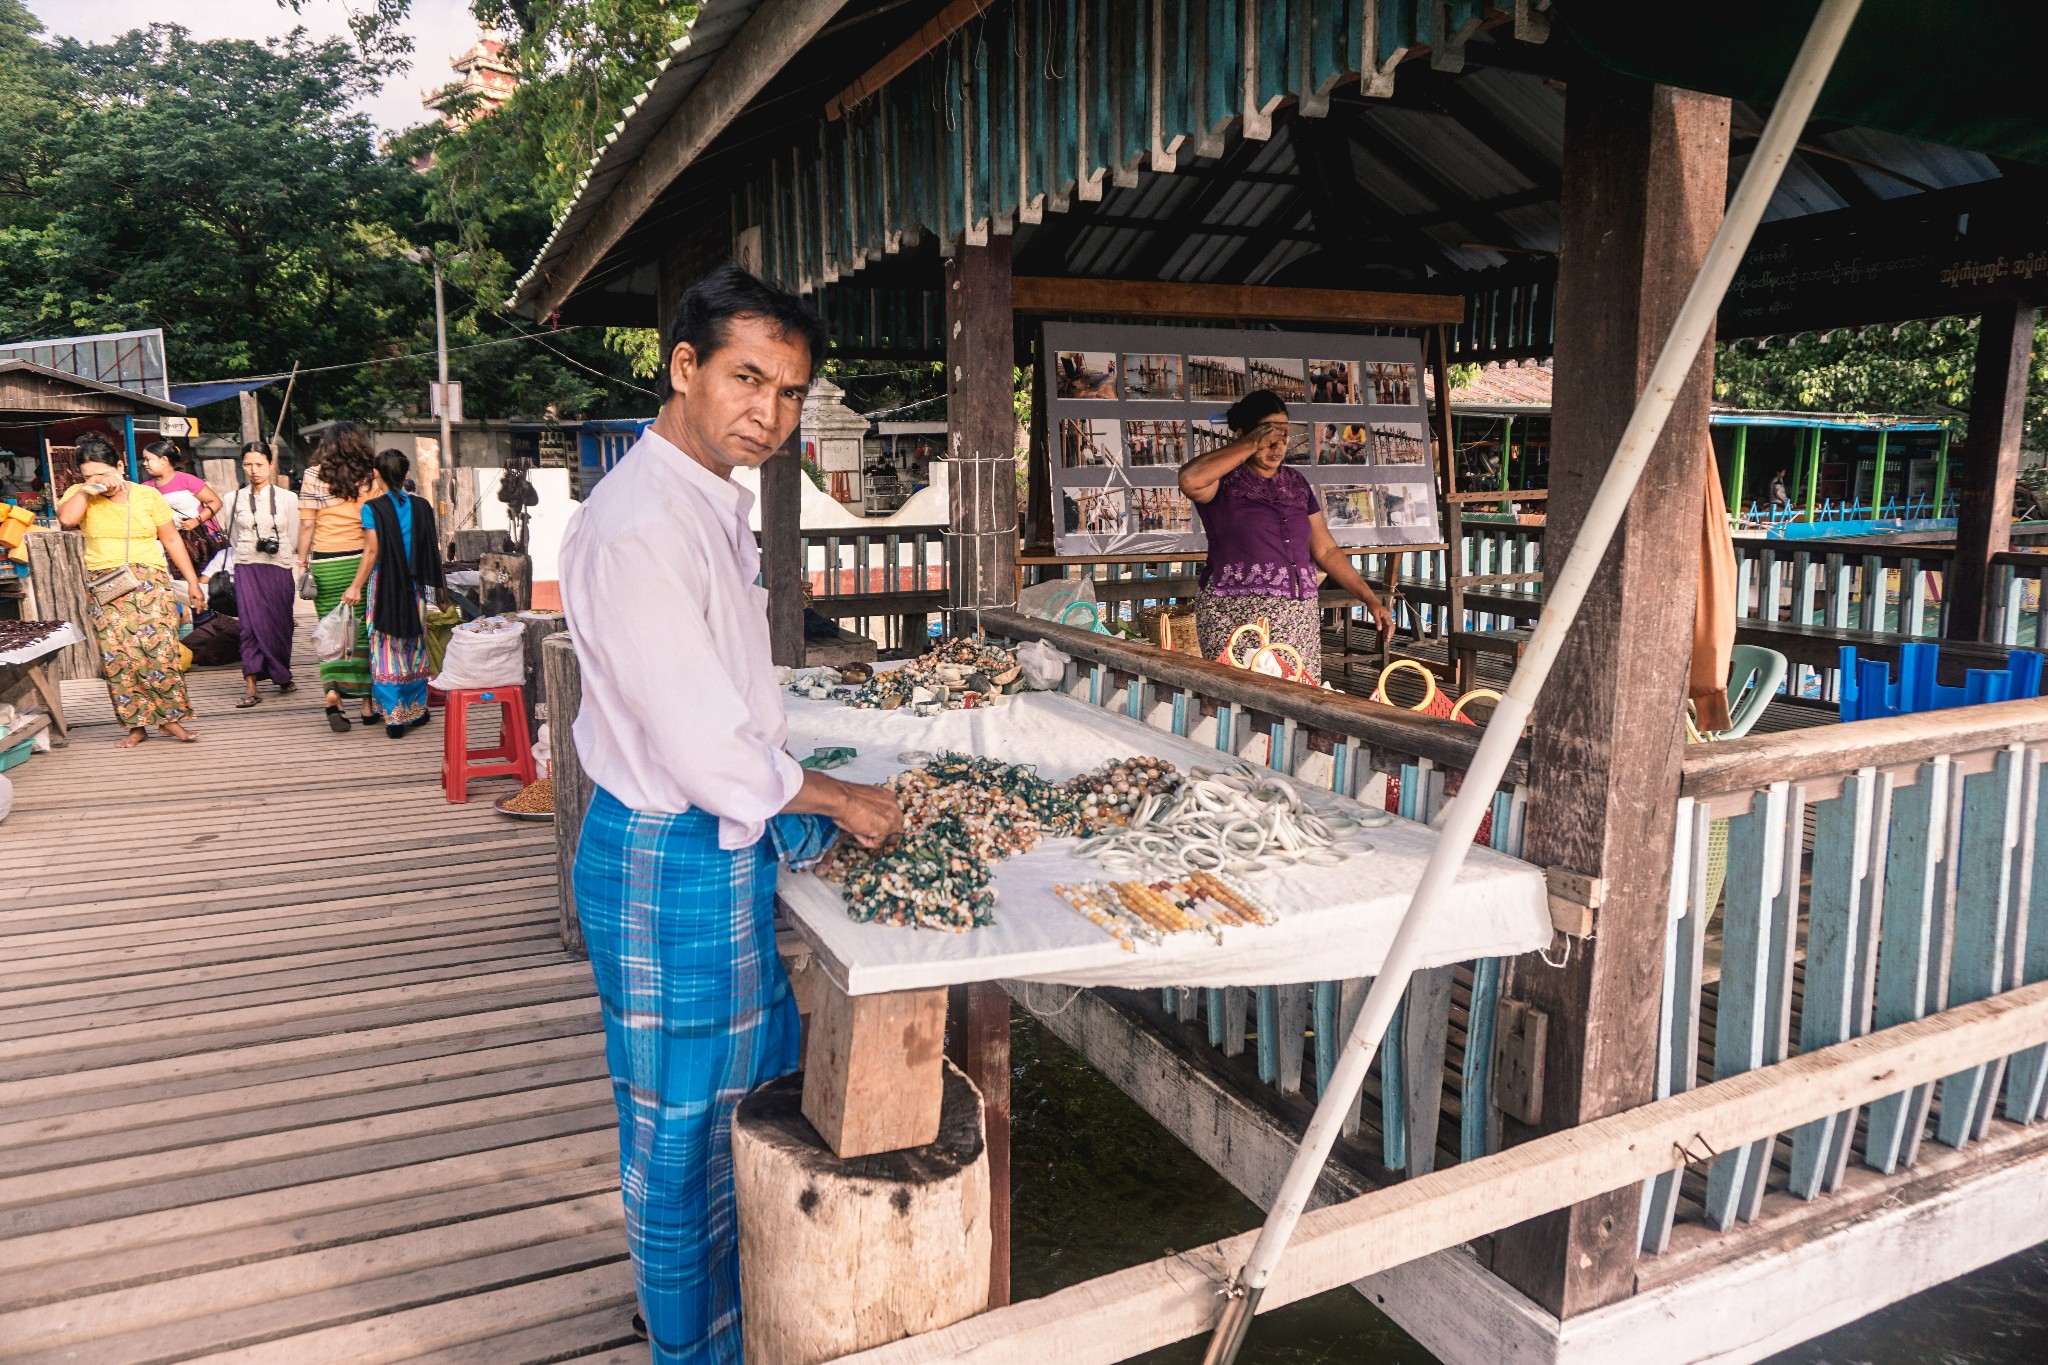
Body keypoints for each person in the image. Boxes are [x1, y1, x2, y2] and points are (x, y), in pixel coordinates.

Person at [559, 264, 904, 1362]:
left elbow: (724, 711)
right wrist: (837, 800)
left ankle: (711, 1318)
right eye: (746, 378)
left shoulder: (703, 501)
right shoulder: (643, 525)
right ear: (682, 367)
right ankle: (689, 1346)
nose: (769, 412)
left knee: (729, 1115)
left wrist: (793, 796)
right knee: (683, 1141)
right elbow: (705, 746)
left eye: (791, 392)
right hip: (670, 857)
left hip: (699, 846)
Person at [1178, 389, 1395, 684]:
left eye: (1284, 435)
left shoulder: (1296, 483)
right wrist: (1252, 443)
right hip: (1235, 614)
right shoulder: (1222, 482)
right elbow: (1189, 479)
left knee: (1298, 701)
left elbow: (1326, 550)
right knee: (1243, 702)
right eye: (1268, 435)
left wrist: (1369, 598)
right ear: (1243, 435)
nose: (1277, 445)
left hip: (1297, 616)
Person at [56, 432, 205, 747]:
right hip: (106, 586)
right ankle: (136, 725)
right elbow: (67, 519)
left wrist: (192, 582)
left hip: (151, 582)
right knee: (120, 657)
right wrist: (87, 489)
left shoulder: (147, 496)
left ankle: (170, 721)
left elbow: (172, 539)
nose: (96, 480)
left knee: (161, 652)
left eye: (103, 473)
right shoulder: (79, 495)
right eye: (88, 475)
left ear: (121, 465)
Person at [340, 448, 443, 738]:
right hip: (415, 587)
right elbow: (429, 550)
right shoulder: (422, 506)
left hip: (385, 585)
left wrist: (355, 586)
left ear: (376, 474)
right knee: (414, 644)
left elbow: (371, 552)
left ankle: (395, 717)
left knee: (386, 647)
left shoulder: (371, 509)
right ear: (406, 474)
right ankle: (418, 709)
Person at [296, 422, 378, 732]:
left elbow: (306, 525)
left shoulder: (313, 475)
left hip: (326, 564)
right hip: (361, 562)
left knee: (332, 633)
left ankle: (333, 693)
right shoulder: (371, 477)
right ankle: (368, 706)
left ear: (325, 446)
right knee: (362, 634)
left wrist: (302, 564)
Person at [222, 441, 301, 708]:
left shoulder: (288, 498)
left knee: (280, 624)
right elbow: (233, 536)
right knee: (249, 625)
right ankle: (251, 685)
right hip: (247, 565)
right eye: (248, 464)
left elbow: (292, 535)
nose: (253, 470)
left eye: (259, 464)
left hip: (279, 565)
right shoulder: (232, 498)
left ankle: (280, 674)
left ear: (270, 464)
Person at [143, 440, 225, 574]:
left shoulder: (187, 480)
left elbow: (215, 502)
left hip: (201, 543)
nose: (144, 463)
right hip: (170, 546)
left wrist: (196, 521)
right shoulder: (145, 488)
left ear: (164, 460)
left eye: (148, 459)